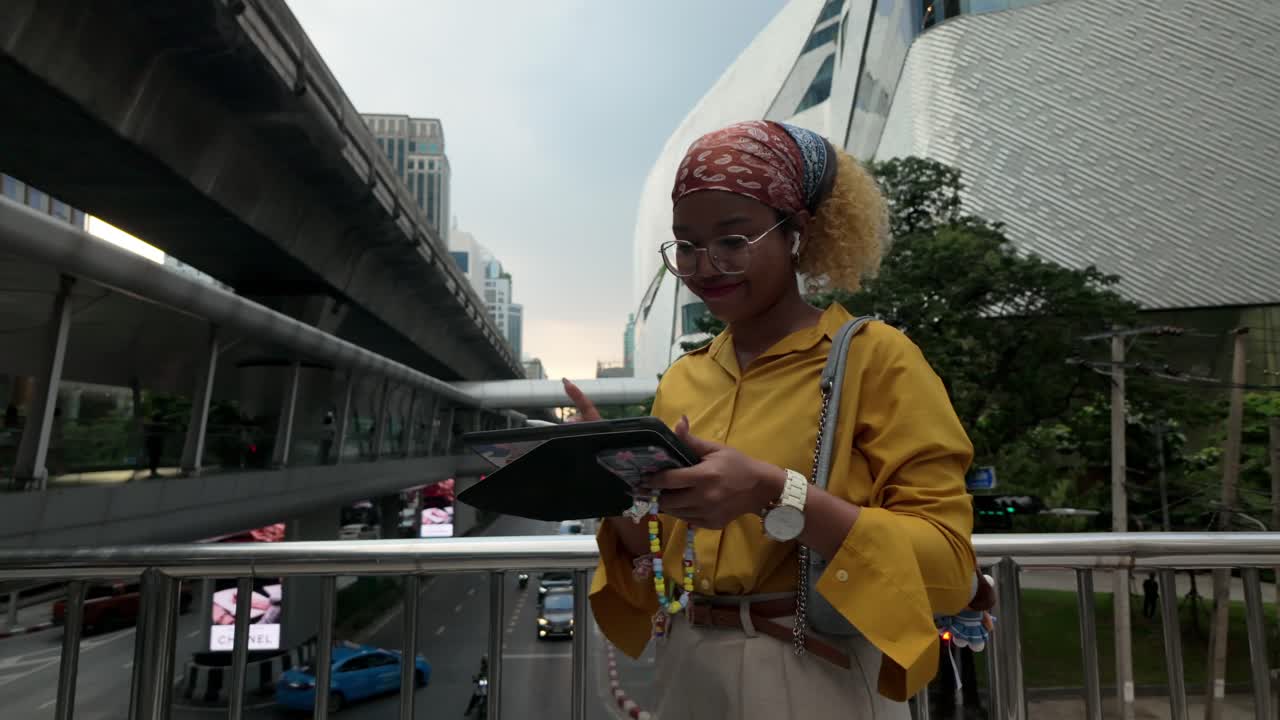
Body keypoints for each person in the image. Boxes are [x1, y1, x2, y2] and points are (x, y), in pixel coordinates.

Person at [566, 120, 991, 719]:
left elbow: (947, 563)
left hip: (815, 666)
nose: (704, 265)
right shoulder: (683, 379)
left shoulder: (876, 357)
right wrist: (610, 481)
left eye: (733, 241)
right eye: (685, 245)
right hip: (687, 667)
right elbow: (660, 551)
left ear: (798, 234)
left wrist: (772, 491)